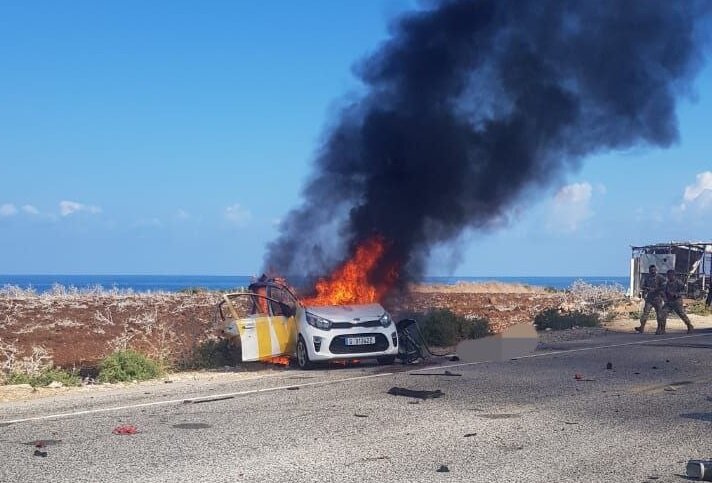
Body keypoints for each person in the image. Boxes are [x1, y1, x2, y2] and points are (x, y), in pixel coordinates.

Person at [659, 269, 694, 334]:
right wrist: (664, 297)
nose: (669, 277)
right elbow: (664, 292)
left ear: (673, 275)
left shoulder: (678, 282)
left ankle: (689, 326)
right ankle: (662, 329)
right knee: (663, 313)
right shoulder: (666, 283)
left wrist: (677, 294)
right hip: (669, 302)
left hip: (677, 301)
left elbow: (685, 291)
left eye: (670, 275)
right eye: (668, 275)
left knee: (681, 314)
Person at [635, 265, 666, 334]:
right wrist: (646, 290)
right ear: (649, 271)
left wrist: (656, 289)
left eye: (654, 270)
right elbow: (642, 286)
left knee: (659, 314)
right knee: (645, 313)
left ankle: (659, 328)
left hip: (658, 297)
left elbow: (664, 286)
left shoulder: (660, 277)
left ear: (656, 270)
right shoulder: (647, 278)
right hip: (649, 298)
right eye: (651, 270)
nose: (652, 271)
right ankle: (642, 327)